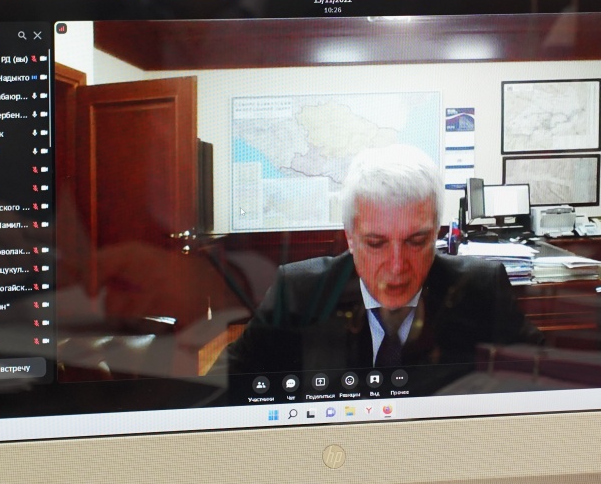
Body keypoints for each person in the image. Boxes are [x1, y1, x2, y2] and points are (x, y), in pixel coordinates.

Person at [226, 144, 543, 376]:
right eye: (376, 243)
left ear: (436, 233)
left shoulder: (482, 288)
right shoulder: (297, 291)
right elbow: (223, 384)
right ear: (350, 238)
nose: (396, 266)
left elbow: (546, 376)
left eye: (416, 241)